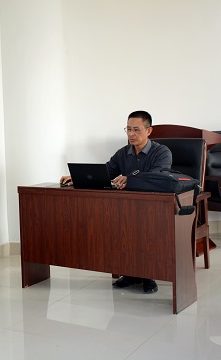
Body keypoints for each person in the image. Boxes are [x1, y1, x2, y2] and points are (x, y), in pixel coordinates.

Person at [60, 110, 171, 294]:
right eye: (128, 129)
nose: (131, 134)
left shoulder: (162, 152)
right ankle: (129, 273)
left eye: (136, 130)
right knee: (115, 223)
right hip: (127, 206)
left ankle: (148, 275)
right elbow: (105, 172)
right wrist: (76, 178)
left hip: (154, 207)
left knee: (143, 226)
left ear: (149, 131)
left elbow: (158, 176)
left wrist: (130, 179)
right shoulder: (123, 153)